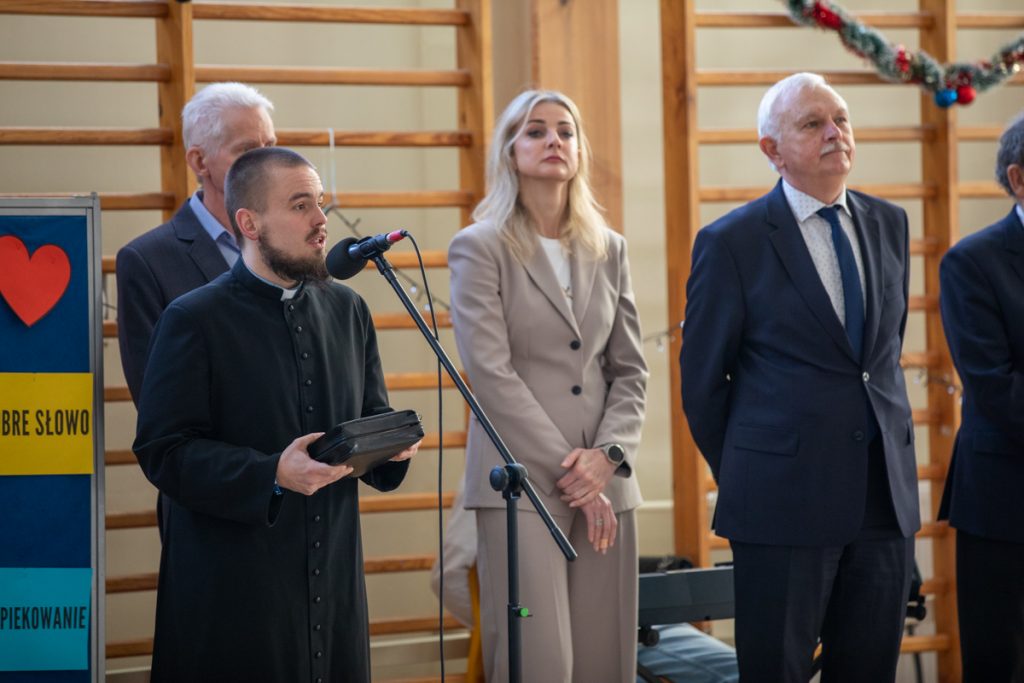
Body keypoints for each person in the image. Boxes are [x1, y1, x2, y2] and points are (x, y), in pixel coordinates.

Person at [132, 147, 420, 682]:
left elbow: (370, 413)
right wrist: (272, 473)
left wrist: (388, 444)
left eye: (321, 203)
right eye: (300, 205)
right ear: (250, 223)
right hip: (235, 588)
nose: (321, 221)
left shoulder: (348, 309)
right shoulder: (193, 318)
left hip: (332, 573)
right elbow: (164, 452)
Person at [680, 72, 919, 682]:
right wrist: (755, 471)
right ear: (772, 150)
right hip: (780, 504)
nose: (835, 132)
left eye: (840, 119)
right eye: (813, 124)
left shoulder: (890, 223)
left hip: (882, 500)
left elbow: (880, 360)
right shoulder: (731, 242)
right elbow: (702, 385)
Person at [448, 89, 648, 683]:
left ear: (580, 150)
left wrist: (607, 457)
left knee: (604, 662)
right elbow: (490, 374)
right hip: (522, 484)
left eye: (565, 130)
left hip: (607, 481)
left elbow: (630, 370)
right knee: (541, 661)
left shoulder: (609, 249)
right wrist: (574, 474)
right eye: (535, 131)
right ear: (510, 152)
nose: (553, 140)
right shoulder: (479, 245)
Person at [117, 81, 276, 403]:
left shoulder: (290, 242)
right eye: (247, 151)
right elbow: (156, 399)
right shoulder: (147, 261)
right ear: (200, 162)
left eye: (271, 146)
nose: (267, 164)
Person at [938, 111, 1024, 683]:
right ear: (1018, 178)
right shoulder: (972, 262)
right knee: (1002, 665)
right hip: (1005, 504)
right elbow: (995, 386)